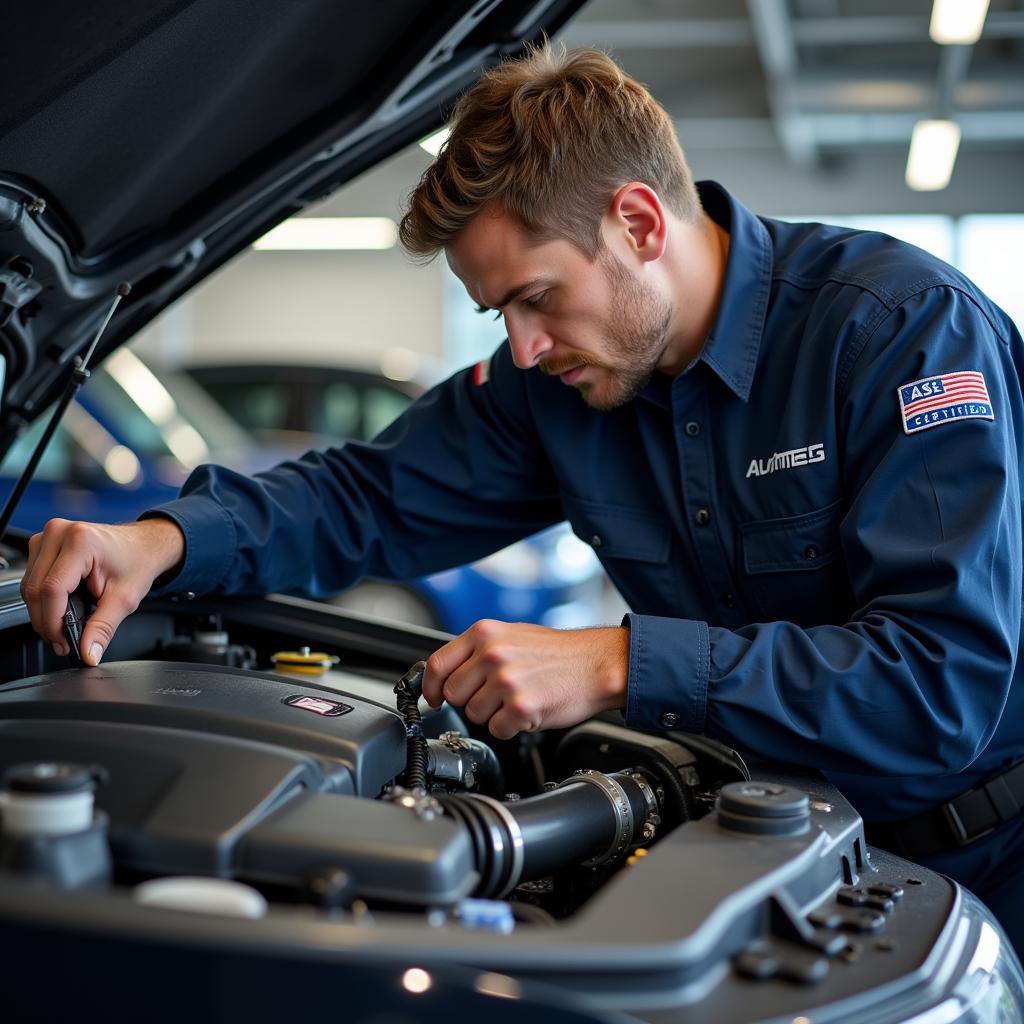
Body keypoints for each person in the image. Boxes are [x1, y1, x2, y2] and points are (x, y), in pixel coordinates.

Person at [20, 44, 1024, 947]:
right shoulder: (558, 391)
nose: (523, 347)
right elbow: (367, 495)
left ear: (636, 221)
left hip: (981, 869)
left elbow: (938, 685)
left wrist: (617, 661)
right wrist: (165, 539)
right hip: (767, 859)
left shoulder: (901, 334)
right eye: (498, 312)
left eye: (537, 296)